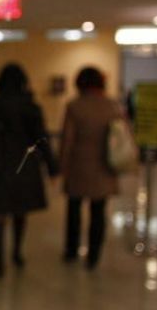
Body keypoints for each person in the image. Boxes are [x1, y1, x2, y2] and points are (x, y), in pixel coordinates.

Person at [0, 64, 58, 278]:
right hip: (24, 167)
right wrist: (52, 168)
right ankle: (17, 252)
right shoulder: (31, 108)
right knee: (20, 212)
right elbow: (42, 139)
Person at [60, 67, 122, 269]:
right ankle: (93, 256)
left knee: (74, 210)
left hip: (79, 166)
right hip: (105, 166)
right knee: (98, 212)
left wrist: (62, 167)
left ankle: (71, 251)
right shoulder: (112, 106)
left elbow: (67, 141)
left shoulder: (75, 106)